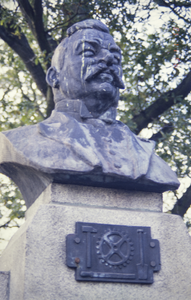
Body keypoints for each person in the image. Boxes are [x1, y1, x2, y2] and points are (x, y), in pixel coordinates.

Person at [0, 19, 179, 208]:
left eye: (116, 58)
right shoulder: (19, 143)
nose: (108, 59)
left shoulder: (149, 158)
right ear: (54, 77)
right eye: (88, 52)